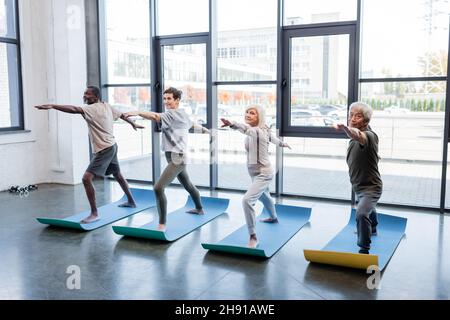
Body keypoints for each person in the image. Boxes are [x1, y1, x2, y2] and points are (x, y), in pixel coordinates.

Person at [35, 86, 144, 224]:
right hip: (112, 146)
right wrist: (132, 123)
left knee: (86, 178)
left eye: (88, 94)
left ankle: (94, 213)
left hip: (104, 149)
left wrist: (52, 106)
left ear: (96, 96)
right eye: (85, 94)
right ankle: (131, 201)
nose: (85, 96)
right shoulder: (106, 106)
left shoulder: (90, 108)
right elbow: (122, 115)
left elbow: (74, 109)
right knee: (117, 174)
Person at [123, 87, 209, 232]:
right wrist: (207, 131)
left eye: (169, 98)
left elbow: (154, 116)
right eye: (164, 98)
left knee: (158, 188)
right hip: (175, 157)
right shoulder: (182, 114)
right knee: (188, 185)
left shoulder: (172, 114)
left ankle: (162, 224)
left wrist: (137, 112)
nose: (166, 101)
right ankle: (199, 209)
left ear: (177, 100)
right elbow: (192, 125)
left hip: (177, 158)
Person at [221, 105, 291, 248]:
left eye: (252, 113)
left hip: (264, 174)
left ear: (259, 116)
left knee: (247, 200)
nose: (248, 115)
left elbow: (245, 129)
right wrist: (283, 143)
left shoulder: (257, 130)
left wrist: (232, 124)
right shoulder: (264, 128)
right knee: (265, 197)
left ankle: (253, 236)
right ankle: (273, 217)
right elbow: (274, 139)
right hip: (254, 173)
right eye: (247, 112)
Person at [332, 101, 383, 254]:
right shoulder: (354, 136)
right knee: (367, 207)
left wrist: (346, 129)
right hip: (358, 185)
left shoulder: (369, 135)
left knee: (361, 213)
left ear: (366, 121)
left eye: (358, 116)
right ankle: (373, 227)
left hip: (371, 187)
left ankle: (364, 247)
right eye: (351, 115)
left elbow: (360, 136)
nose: (353, 119)